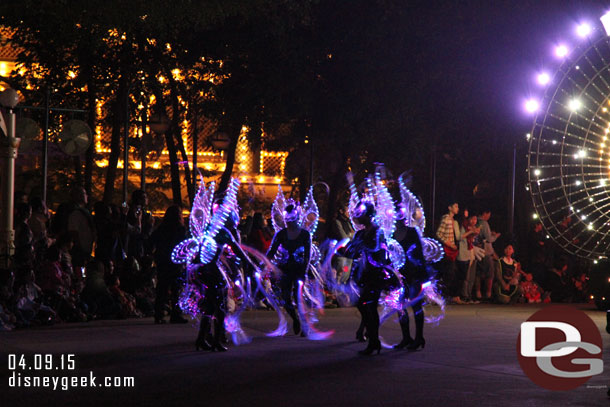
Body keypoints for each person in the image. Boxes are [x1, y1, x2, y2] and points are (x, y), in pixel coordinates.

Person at [340, 201, 395, 355]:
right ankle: (373, 340)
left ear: (369, 215)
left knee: (366, 305)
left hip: (377, 274)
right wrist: (341, 250)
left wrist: (360, 246)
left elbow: (375, 248)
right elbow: (352, 252)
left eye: (361, 213)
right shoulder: (360, 233)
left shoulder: (377, 232)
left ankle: (374, 341)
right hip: (366, 274)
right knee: (365, 305)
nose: (358, 217)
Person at [266, 204, 311, 337]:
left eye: (291, 219)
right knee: (285, 299)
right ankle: (295, 319)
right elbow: (272, 251)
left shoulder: (304, 234)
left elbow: (307, 255)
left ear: (296, 218)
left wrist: (305, 269)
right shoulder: (281, 234)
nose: (289, 222)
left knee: (299, 299)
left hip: (299, 269)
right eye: (287, 219)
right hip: (285, 269)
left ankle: (304, 325)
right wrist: (264, 262)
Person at [393, 206, 428, 351]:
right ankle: (406, 336)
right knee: (399, 306)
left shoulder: (412, 232)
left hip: (414, 273)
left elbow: (419, 254)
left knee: (416, 306)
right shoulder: (394, 233)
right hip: (400, 273)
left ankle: (419, 337)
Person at [150, 205, 188, 324]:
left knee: (162, 288)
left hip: (163, 261)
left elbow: (151, 241)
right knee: (176, 289)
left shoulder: (161, 228)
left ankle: (159, 314)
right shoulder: (180, 229)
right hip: (175, 262)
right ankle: (176, 314)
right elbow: (185, 246)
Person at [436, 201, 461, 303]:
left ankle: (447, 295)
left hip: (451, 250)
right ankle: (444, 295)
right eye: (455, 206)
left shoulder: (452, 220)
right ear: (449, 208)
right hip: (446, 250)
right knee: (449, 273)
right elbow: (439, 233)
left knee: (450, 273)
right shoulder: (446, 218)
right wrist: (449, 244)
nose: (457, 208)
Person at [475, 209, 500, 301]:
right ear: (485, 213)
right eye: (489, 214)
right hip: (485, 250)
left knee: (478, 272)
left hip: (476, 250)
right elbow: (489, 239)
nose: (489, 216)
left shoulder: (475, 221)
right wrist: (495, 236)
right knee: (489, 272)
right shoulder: (484, 223)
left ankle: (478, 293)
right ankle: (488, 294)